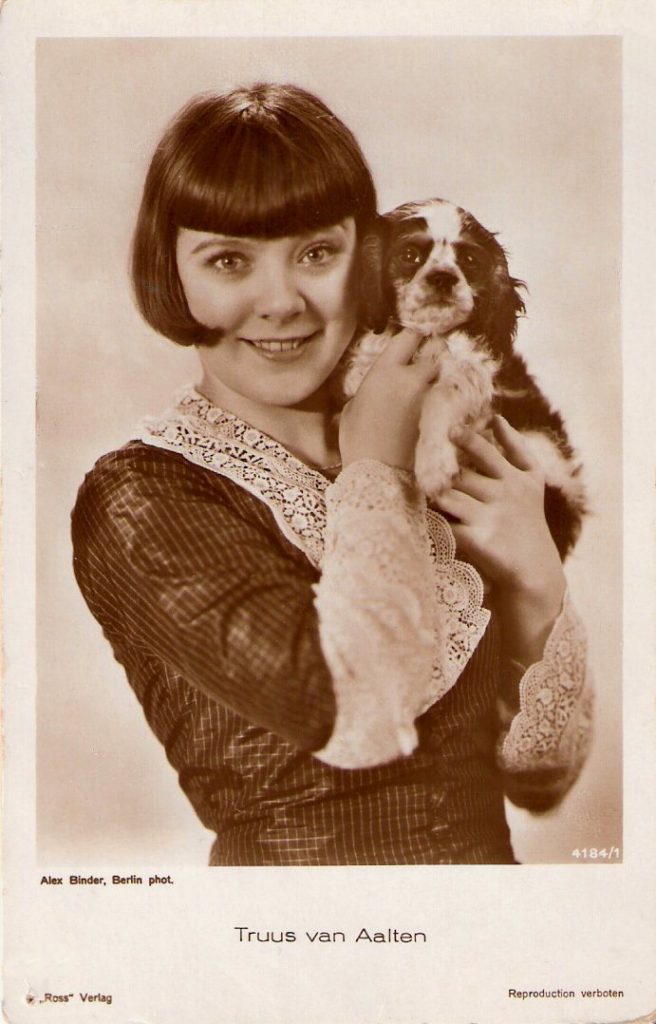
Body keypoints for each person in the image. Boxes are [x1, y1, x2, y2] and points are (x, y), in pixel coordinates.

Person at [71, 83, 593, 865]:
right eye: (228, 260)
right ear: (170, 275)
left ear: (366, 258)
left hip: (484, 925)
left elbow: (544, 781)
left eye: (317, 253)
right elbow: (362, 720)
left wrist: (538, 578)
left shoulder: (446, 443)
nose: (282, 302)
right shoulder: (141, 498)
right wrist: (376, 467)